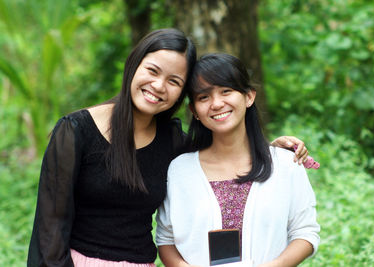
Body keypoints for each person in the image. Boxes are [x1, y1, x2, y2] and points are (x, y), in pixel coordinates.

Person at [27, 28, 310, 267]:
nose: (159, 86)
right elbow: (49, 231)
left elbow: (221, 152)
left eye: (174, 81)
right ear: (133, 65)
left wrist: (272, 149)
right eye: (152, 71)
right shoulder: (76, 130)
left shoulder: (173, 140)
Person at [156, 53, 320, 267]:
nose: (216, 103)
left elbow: (306, 232)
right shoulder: (179, 169)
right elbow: (166, 240)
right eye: (203, 97)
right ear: (194, 110)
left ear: (249, 97)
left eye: (226, 91)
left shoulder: (285, 164)